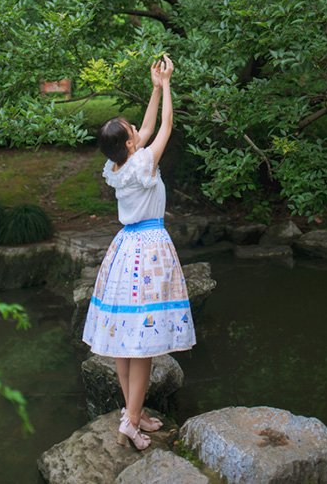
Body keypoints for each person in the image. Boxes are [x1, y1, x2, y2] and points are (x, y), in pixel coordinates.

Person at [81, 54, 196, 450]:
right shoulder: (143, 162)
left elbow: (146, 126)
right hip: (148, 250)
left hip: (124, 248)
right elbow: (163, 126)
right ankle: (130, 421)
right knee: (143, 345)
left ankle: (134, 410)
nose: (137, 129)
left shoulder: (118, 167)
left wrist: (152, 84)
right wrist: (166, 85)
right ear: (131, 144)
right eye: (132, 130)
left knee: (124, 336)